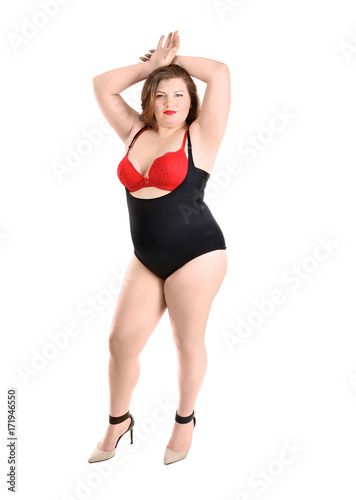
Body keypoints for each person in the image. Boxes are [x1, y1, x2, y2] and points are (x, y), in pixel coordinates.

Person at [88, 30, 231, 465]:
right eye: (161, 94)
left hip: (198, 254)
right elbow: (102, 85)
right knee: (120, 342)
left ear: (192, 102)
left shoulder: (200, 136)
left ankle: (184, 422)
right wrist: (152, 66)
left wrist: (175, 58)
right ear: (150, 99)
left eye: (180, 95)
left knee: (186, 342)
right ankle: (118, 420)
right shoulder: (134, 131)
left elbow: (220, 72)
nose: (170, 103)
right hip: (146, 259)